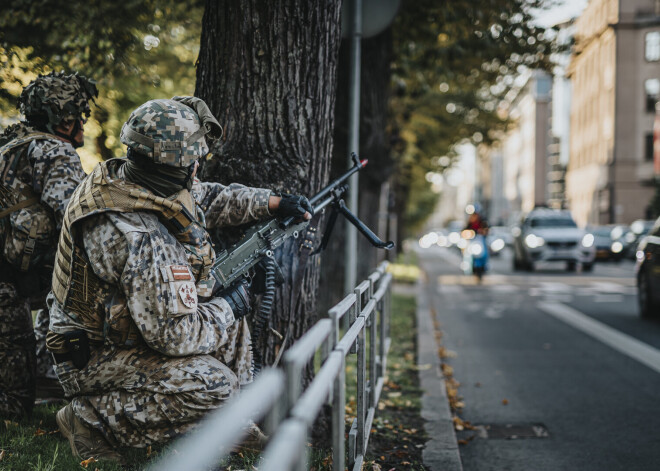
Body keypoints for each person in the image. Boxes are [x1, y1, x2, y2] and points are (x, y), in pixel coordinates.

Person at [47, 97, 312, 461]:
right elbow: (176, 335)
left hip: (119, 327)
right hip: (91, 355)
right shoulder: (138, 237)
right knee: (217, 386)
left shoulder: (125, 178)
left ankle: (234, 427)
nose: (198, 168)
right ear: (172, 166)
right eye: (193, 161)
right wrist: (231, 303)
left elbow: (207, 198)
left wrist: (273, 203)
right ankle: (91, 420)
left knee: (228, 323)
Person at [0, 71, 97, 417]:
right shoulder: (54, 150)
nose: (82, 127)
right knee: (14, 407)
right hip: (9, 287)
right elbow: (75, 212)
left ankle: (46, 377)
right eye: (78, 117)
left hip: (17, 281)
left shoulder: (12, 143)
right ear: (64, 118)